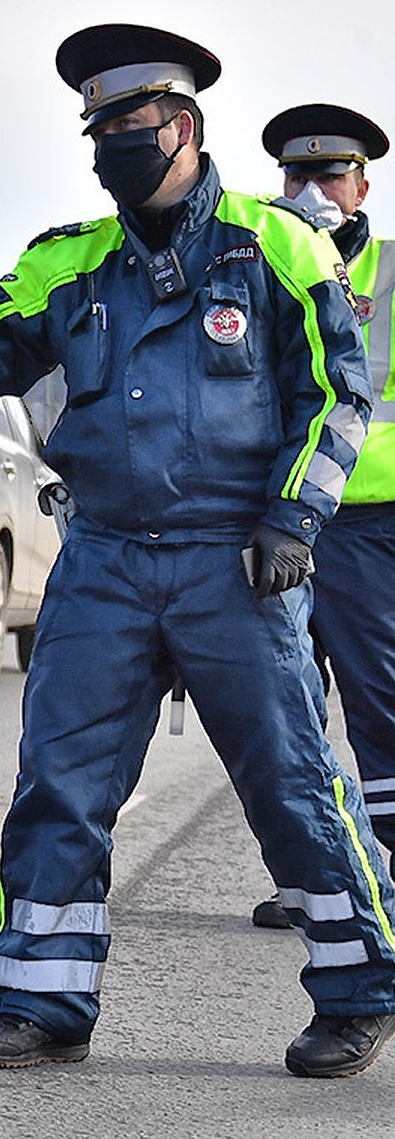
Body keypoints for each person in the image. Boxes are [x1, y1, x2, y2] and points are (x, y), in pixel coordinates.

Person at [0, 23, 395, 1078]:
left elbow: (339, 394)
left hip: (231, 562)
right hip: (102, 559)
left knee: (289, 780)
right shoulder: (69, 260)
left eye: (127, 127)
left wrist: (294, 519)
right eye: (96, 130)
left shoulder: (279, 246)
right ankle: (44, 1001)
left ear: (181, 126)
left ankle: (361, 986)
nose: (109, 145)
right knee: (61, 781)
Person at [250, 104, 395, 932]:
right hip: (281, 515)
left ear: (362, 183)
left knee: (379, 701)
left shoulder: (391, 271)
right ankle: (315, 877)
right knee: (286, 704)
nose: (313, 190)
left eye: (330, 174)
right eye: (297, 177)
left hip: (372, 521)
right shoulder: (261, 259)